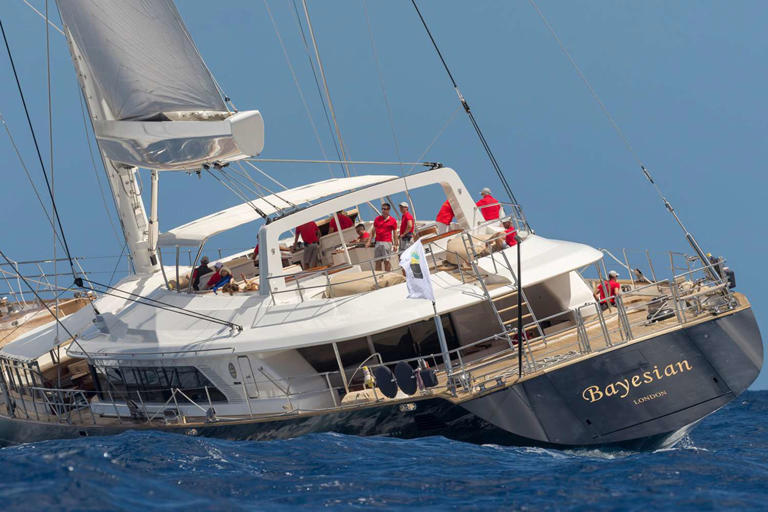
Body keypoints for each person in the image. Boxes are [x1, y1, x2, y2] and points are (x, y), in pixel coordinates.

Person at [367, 202, 398, 271]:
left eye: (385, 209)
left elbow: (395, 234)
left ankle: (388, 276)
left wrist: (396, 244)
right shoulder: (377, 219)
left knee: (386, 261)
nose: (383, 210)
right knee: (377, 262)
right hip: (378, 242)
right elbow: (373, 231)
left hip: (387, 242)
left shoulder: (393, 220)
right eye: (382, 209)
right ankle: (379, 277)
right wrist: (369, 241)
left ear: (388, 210)